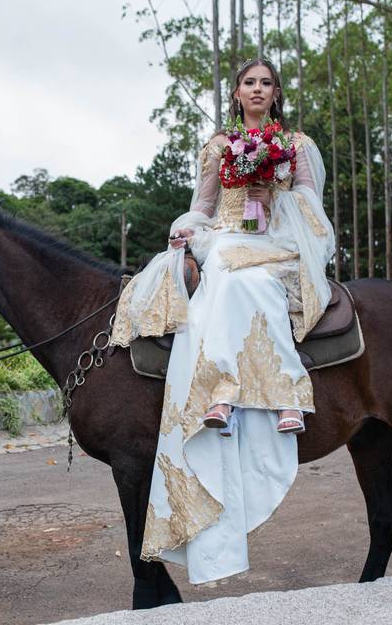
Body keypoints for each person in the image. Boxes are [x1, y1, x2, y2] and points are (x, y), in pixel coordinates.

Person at [110, 58, 335, 584]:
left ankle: (286, 398)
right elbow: (203, 207)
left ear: (276, 93)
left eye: (266, 83)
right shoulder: (217, 147)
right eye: (248, 83)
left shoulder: (296, 145)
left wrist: (272, 195)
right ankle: (218, 396)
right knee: (220, 275)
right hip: (228, 239)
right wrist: (187, 231)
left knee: (242, 278)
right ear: (236, 93)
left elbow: (312, 209)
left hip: (275, 243)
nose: (257, 90)